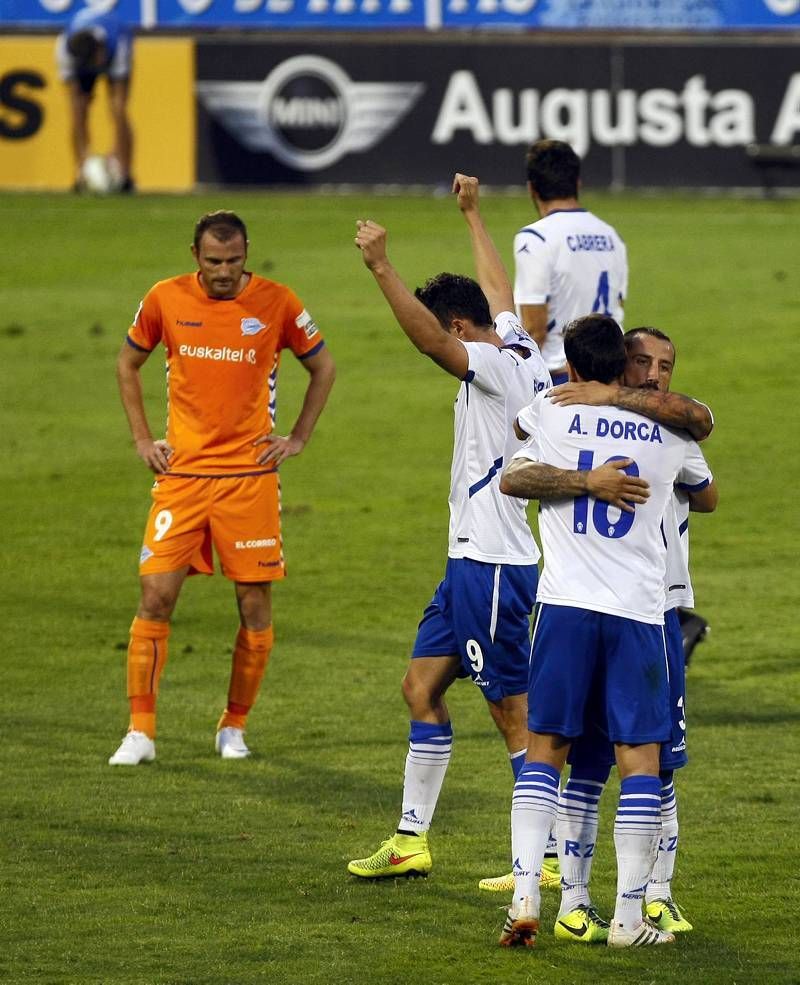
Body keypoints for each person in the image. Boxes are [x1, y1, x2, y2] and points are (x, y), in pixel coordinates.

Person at [346, 175, 552, 880]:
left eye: (450, 329)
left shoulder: (491, 363)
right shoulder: (522, 344)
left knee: (511, 713)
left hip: (491, 565)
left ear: (459, 329)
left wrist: (380, 266)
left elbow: (433, 341)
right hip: (468, 561)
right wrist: (473, 215)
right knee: (420, 687)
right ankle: (410, 841)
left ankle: (547, 857)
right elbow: (498, 293)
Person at [496, 314, 711, 949]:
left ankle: (528, 894)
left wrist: (579, 459)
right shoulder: (670, 429)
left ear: (571, 363)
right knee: (639, 758)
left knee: (546, 749)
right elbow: (703, 434)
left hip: (563, 606)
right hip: (639, 614)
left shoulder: (551, 410)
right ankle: (628, 918)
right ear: (626, 365)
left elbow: (514, 473)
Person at [108, 210, 335, 766]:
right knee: (156, 596)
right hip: (182, 477)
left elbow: (323, 367)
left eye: (234, 261)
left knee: (254, 606)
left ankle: (233, 726)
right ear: (196, 257)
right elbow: (127, 363)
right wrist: (143, 440)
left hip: (248, 480)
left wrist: (298, 437)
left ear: (246, 254)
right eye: (214, 262)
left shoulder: (278, 303)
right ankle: (140, 732)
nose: (225, 272)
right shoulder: (164, 299)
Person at [514, 140, 628, 385]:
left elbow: (534, 330)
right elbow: (617, 305)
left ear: (532, 189)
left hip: (561, 379)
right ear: (578, 183)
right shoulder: (612, 236)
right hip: (611, 381)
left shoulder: (535, 238)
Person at [56, 8, 135, 191]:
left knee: (118, 110)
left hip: (114, 50)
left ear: (100, 50)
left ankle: (124, 173)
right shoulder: (65, 50)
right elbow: (75, 98)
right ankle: (80, 171)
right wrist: (86, 160)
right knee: (78, 109)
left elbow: (119, 101)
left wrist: (115, 157)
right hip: (81, 57)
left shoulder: (119, 43)